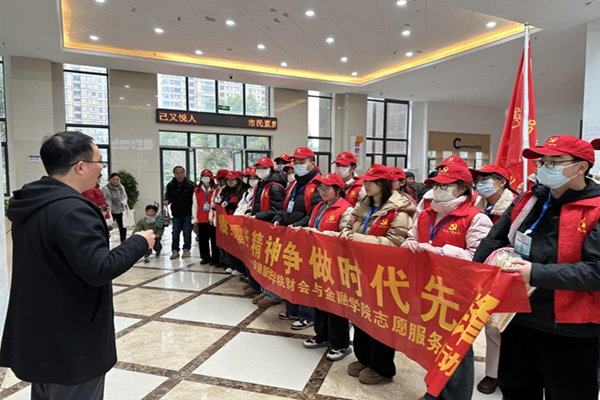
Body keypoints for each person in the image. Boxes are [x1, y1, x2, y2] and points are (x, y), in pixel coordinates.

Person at [0, 131, 154, 400]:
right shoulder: (73, 210)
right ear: (80, 166)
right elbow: (99, 269)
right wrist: (139, 242)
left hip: (39, 334)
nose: (102, 169)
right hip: (71, 343)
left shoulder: (31, 202)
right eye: (99, 162)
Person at [474, 135, 600, 400]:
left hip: (569, 327)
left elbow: (595, 271)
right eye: (542, 162)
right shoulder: (529, 200)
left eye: (554, 162)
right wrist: (474, 277)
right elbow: (494, 240)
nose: (544, 168)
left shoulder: (595, 208)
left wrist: (535, 273)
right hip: (517, 316)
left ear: (581, 167)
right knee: (516, 389)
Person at [402, 163, 493, 400]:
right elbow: (410, 238)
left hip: (458, 293)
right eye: (436, 185)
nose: (438, 189)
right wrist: (409, 245)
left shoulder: (476, 219)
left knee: (458, 349)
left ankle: (456, 396)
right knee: (433, 345)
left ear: (462, 188)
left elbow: (479, 259)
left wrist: (439, 251)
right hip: (427, 288)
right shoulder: (425, 214)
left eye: (445, 186)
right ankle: (434, 392)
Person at [341, 164, 415, 385]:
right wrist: (346, 233)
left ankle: (382, 367)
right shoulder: (364, 205)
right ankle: (364, 358)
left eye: (371, 181)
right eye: (365, 180)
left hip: (385, 274)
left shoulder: (399, 211)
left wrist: (358, 239)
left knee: (381, 320)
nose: (366, 184)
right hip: (360, 269)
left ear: (383, 184)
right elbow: (350, 225)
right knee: (361, 315)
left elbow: (395, 243)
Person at [470, 164, 518, 395]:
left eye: (486, 179)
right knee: (486, 322)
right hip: (480, 268)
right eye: (478, 180)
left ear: (502, 183)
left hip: (508, 271)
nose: (480, 184)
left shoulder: (515, 206)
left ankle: (496, 374)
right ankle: (493, 371)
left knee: (499, 325)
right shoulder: (476, 206)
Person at [301, 173, 354, 361]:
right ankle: (322, 335)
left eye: (327, 188)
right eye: (320, 188)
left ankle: (340, 344)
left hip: (336, 263)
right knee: (319, 299)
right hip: (318, 259)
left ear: (338, 190)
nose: (322, 191)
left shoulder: (346, 209)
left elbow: (344, 236)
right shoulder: (319, 207)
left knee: (335, 303)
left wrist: (319, 234)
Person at [273, 147, 323, 329]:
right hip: (290, 234)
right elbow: (286, 206)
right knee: (291, 272)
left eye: (302, 162)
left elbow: (315, 213)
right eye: (295, 162)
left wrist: (298, 225)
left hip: (305, 236)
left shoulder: (318, 184)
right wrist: (279, 219)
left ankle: (307, 315)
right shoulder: (294, 183)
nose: (298, 165)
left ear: (312, 164)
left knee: (305, 276)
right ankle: (292, 309)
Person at [242, 157, 287, 303]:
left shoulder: (274, 187)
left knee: (270, 262)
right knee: (262, 261)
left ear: (270, 169)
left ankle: (272, 294)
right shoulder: (263, 184)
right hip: (260, 227)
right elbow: (257, 204)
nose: (260, 171)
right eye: (258, 168)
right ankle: (264, 289)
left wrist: (258, 216)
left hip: (269, 227)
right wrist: (250, 212)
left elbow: (277, 209)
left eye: (263, 168)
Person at [164, 166, 195, 260]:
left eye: (181, 173)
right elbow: (168, 196)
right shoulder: (170, 185)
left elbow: (195, 199)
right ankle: (175, 250)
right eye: (177, 173)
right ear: (174, 174)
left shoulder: (191, 185)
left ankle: (186, 249)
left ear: (184, 173)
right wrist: (167, 200)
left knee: (187, 233)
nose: (179, 175)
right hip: (176, 213)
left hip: (188, 213)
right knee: (175, 233)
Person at [192, 169, 218, 265]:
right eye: (204, 176)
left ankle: (215, 258)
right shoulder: (197, 190)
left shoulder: (215, 189)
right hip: (201, 218)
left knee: (214, 240)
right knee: (203, 240)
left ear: (211, 178)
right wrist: (194, 217)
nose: (205, 178)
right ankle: (205, 257)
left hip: (212, 219)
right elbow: (194, 204)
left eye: (207, 176)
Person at [210, 169, 229, 267]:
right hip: (216, 218)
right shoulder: (217, 189)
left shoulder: (227, 190)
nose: (218, 181)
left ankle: (225, 261)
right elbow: (212, 203)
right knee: (216, 241)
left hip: (224, 219)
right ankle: (218, 259)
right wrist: (211, 217)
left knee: (224, 242)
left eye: (219, 179)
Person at [102, 172, 128, 242]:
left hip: (120, 209)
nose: (115, 181)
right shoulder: (106, 188)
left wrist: (123, 202)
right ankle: (106, 241)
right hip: (110, 210)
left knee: (123, 226)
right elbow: (103, 198)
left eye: (117, 179)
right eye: (113, 179)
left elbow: (125, 196)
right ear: (110, 179)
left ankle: (123, 241)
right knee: (109, 226)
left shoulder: (121, 187)